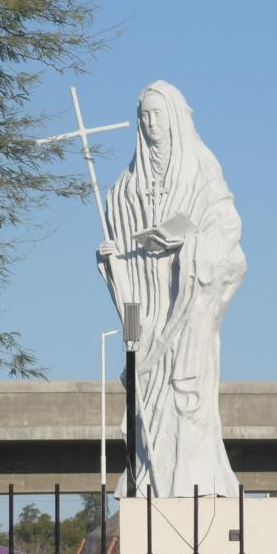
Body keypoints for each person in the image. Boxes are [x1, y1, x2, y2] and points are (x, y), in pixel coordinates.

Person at [96, 80, 244, 497]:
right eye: (143, 116)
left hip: (185, 307)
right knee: (145, 393)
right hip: (143, 308)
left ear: (175, 118)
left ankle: (190, 481)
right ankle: (148, 479)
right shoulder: (124, 187)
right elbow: (120, 252)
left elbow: (226, 228)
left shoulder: (200, 170)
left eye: (157, 114)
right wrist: (111, 261)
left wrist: (186, 242)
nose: (150, 123)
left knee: (186, 398)